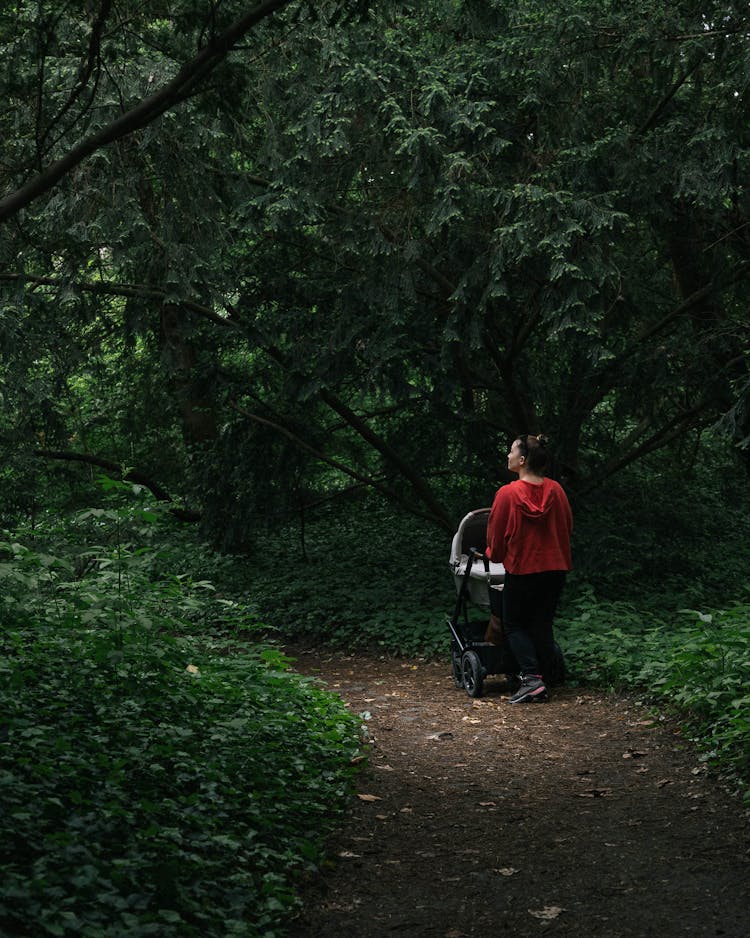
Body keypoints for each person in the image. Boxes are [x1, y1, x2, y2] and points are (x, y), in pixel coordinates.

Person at [485, 434, 572, 703]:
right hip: (555, 568)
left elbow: (496, 537)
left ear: (522, 460)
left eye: (511, 451)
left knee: (514, 624)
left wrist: (493, 555)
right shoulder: (556, 490)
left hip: (523, 568)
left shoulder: (507, 494)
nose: (507, 456)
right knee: (542, 624)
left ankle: (532, 679)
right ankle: (546, 675)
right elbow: (567, 527)